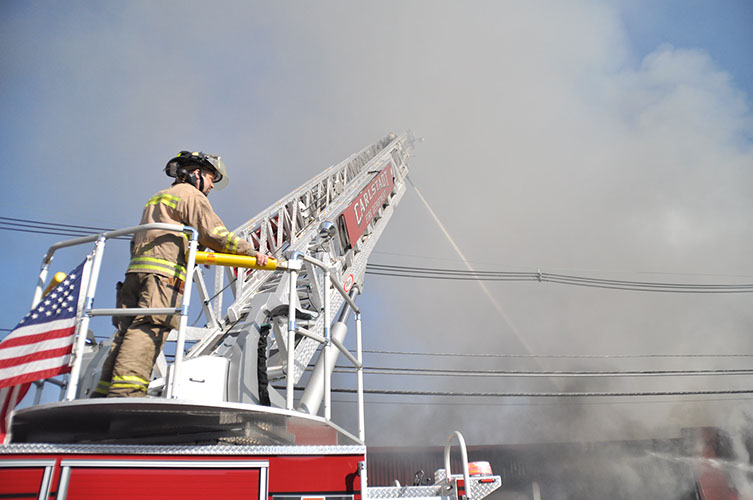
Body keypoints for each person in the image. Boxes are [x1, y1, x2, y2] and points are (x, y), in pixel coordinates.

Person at [93, 151, 271, 398]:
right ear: (196, 174)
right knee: (149, 328)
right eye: (211, 178)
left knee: (125, 332)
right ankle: (126, 393)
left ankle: (103, 392)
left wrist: (197, 251)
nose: (211, 186)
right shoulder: (191, 195)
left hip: (135, 275)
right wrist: (250, 252)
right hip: (162, 278)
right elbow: (215, 233)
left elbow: (171, 233)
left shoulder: (158, 197)